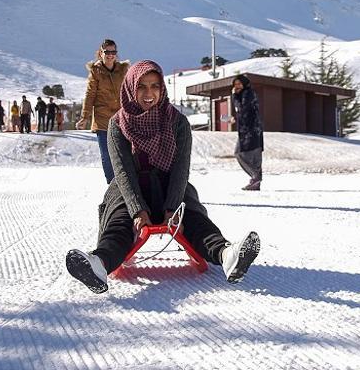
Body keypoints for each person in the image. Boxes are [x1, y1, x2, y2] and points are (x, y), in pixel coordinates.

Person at [65, 60, 260, 294]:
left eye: (155, 86)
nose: (149, 94)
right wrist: (137, 210)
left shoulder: (177, 122)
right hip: (131, 189)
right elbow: (123, 171)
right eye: (142, 87)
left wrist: (172, 207)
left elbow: (180, 169)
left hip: (170, 186)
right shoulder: (118, 124)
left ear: (162, 88)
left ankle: (227, 254)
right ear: (130, 88)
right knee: (119, 224)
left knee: (194, 220)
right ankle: (99, 264)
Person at [75, 39, 129, 183]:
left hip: (120, 117)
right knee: (107, 153)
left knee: (123, 153)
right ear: (101, 53)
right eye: (107, 52)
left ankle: (125, 183)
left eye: (113, 52)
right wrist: (85, 116)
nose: (110, 55)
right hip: (102, 117)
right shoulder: (96, 71)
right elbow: (90, 94)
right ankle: (112, 185)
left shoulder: (123, 69)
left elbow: (129, 91)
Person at [231, 74, 263, 191]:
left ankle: (256, 177)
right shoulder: (247, 94)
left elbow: (242, 109)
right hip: (254, 130)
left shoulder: (247, 94)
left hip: (250, 131)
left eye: (239, 84)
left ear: (244, 84)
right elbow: (245, 112)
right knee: (256, 158)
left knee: (238, 153)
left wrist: (234, 96)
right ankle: (255, 183)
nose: (237, 87)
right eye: (235, 85)